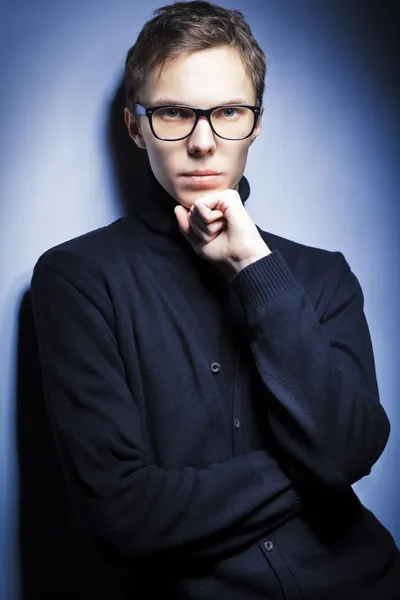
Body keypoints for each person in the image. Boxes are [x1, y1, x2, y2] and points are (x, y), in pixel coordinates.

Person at [30, 1, 400, 598]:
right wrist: (318, 465)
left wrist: (256, 269)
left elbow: (353, 446)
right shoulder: (76, 279)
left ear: (255, 124)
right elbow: (125, 515)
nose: (203, 142)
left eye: (228, 112)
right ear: (135, 126)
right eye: (175, 113)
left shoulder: (322, 274)